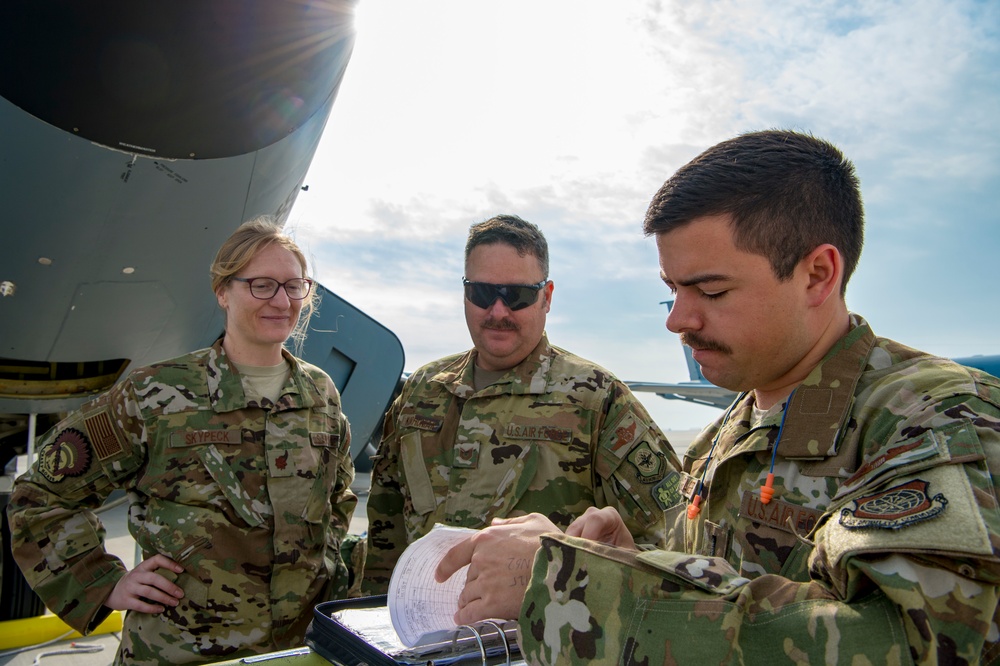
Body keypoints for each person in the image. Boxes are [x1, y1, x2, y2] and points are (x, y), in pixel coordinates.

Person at [435, 131, 1000, 664]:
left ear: (818, 274)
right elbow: (733, 585)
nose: (679, 319)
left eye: (711, 289)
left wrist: (569, 582)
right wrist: (634, 561)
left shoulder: (936, 422)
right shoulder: (734, 427)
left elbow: (919, 644)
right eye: (672, 290)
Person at [6, 217, 357, 665]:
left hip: (294, 652)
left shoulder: (319, 392)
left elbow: (338, 496)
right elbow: (40, 495)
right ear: (222, 291)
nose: (281, 300)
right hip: (178, 653)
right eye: (262, 285)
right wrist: (102, 581)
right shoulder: (156, 393)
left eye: (294, 286)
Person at [362, 214, 681, 594]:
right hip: (420, 631)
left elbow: (670, 542)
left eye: (517, 296)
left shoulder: (596, 398)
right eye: (482, 293)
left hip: (536, 639)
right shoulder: (422, 390)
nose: (498, 312)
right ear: (465, 293)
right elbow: (386, 525)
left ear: (546, 298)